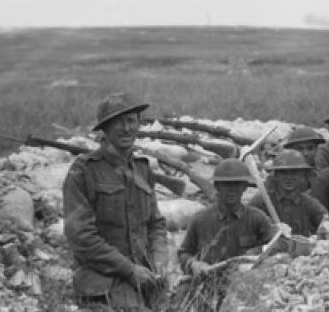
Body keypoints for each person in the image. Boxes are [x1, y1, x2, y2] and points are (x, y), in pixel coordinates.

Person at [63, 92, 167, 311]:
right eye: (118, 122)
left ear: (139, 124)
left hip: (144, 282)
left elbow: (156, 224)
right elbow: (81, 237)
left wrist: (159, 260)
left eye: (131, 121)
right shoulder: (84, 171)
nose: (126, 128)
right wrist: (128, 269)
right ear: (106, 129)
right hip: (101, 286)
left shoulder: (142, 168)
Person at [178, 158, 276, 275]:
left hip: (243, 284)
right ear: (217, 186)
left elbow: (273, 248)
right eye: (227, 184)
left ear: (245, 187)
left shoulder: (257, 219)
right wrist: (194, 264)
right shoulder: (200, 220)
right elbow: (184, 253)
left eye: (237, 184)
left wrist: (254, 255)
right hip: (208, 283)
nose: (232, 190)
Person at [249, 150, 329, 238]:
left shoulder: (309, 203)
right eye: (284, 173)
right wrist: (269, 229)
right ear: (276, 176)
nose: (289, 177)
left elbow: (327, 220)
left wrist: (328, 226)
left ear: (302, 175)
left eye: (294, 173)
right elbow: (245, 224)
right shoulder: (261, 201)